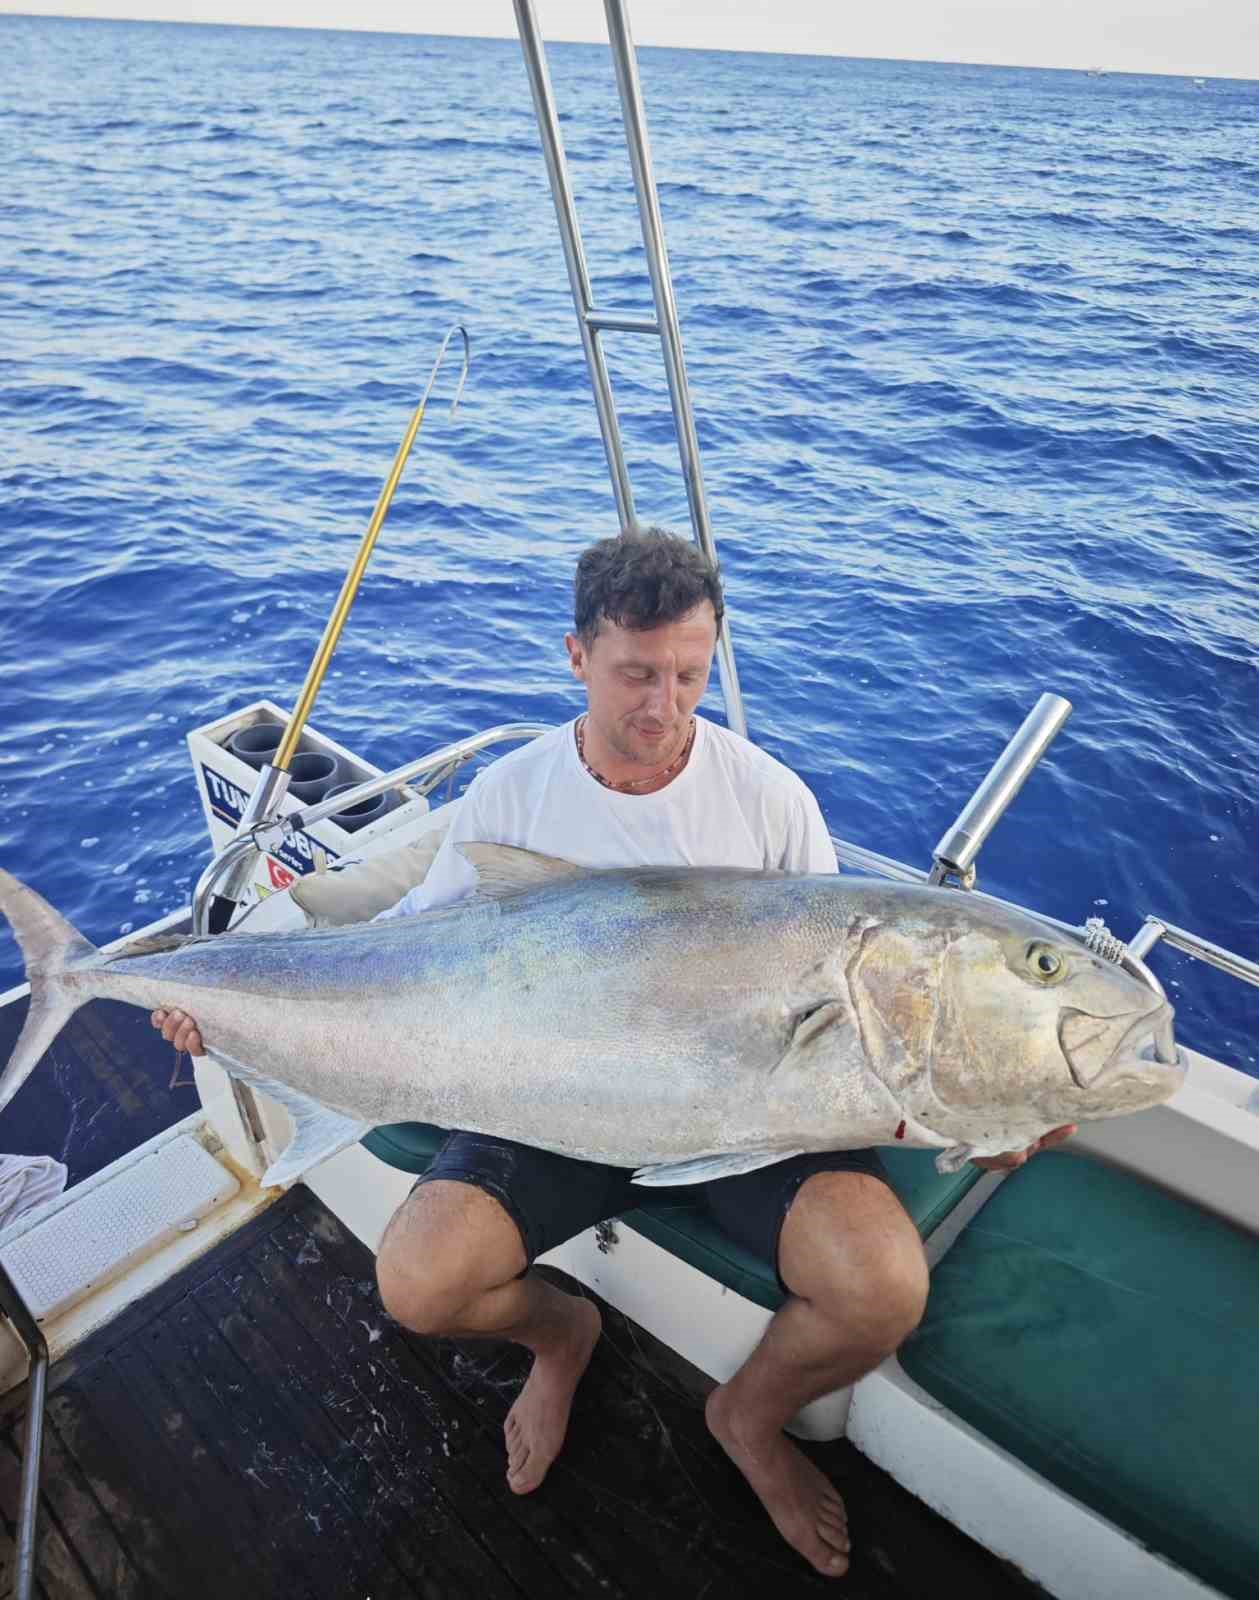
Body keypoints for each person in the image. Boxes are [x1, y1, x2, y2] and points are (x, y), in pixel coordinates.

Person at [153, 527, 1073, 1580]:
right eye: (636, 673)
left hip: (752, 1108)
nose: (664, 705)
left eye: (690, 673)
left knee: (879, 1291)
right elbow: (400, 940)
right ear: (576, 656)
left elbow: (851, 1012)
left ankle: (747, 1418)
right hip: (549, 1100)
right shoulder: (512, 792)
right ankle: (561, 1336)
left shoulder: (769, 798)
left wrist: (976, 1110)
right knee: (417, 1285)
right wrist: (217, 1005)